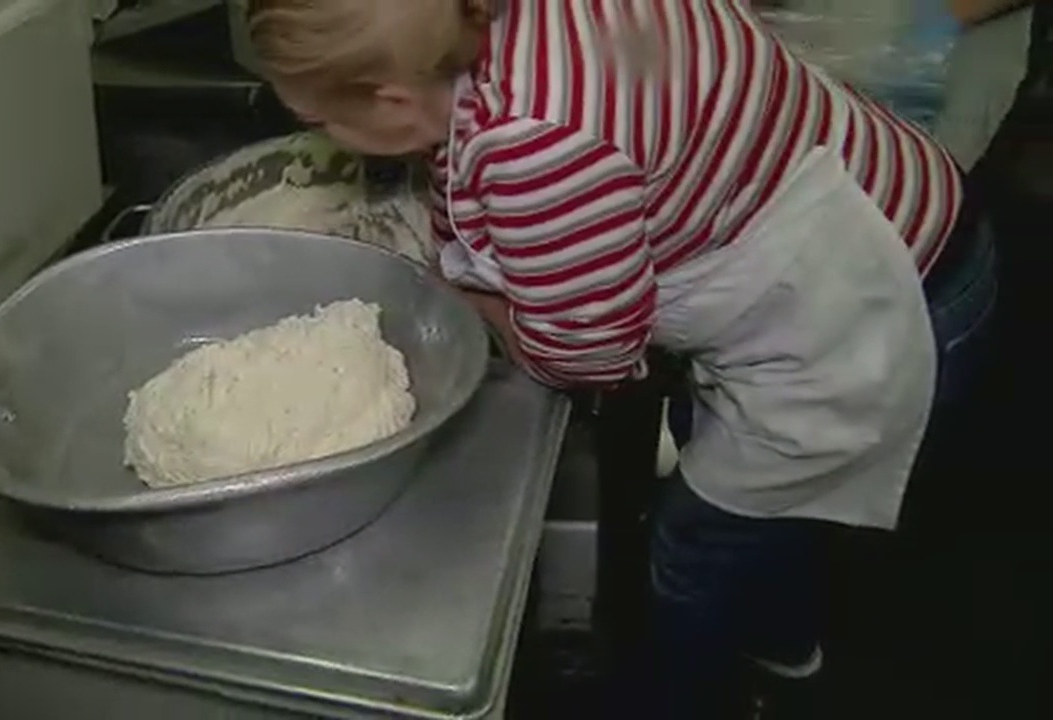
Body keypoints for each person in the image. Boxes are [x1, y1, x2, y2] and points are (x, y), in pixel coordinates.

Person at [246, 0, 994, 717]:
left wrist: (467, 300)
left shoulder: (535, 142)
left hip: (875, 300)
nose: (325, 138)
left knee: (696, 546)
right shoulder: (486, 30)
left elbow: (590, 354)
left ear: (391, 99)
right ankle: (781, 649)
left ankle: (676, 701)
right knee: (767, 514)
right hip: (855, 202)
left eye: (318, 120)